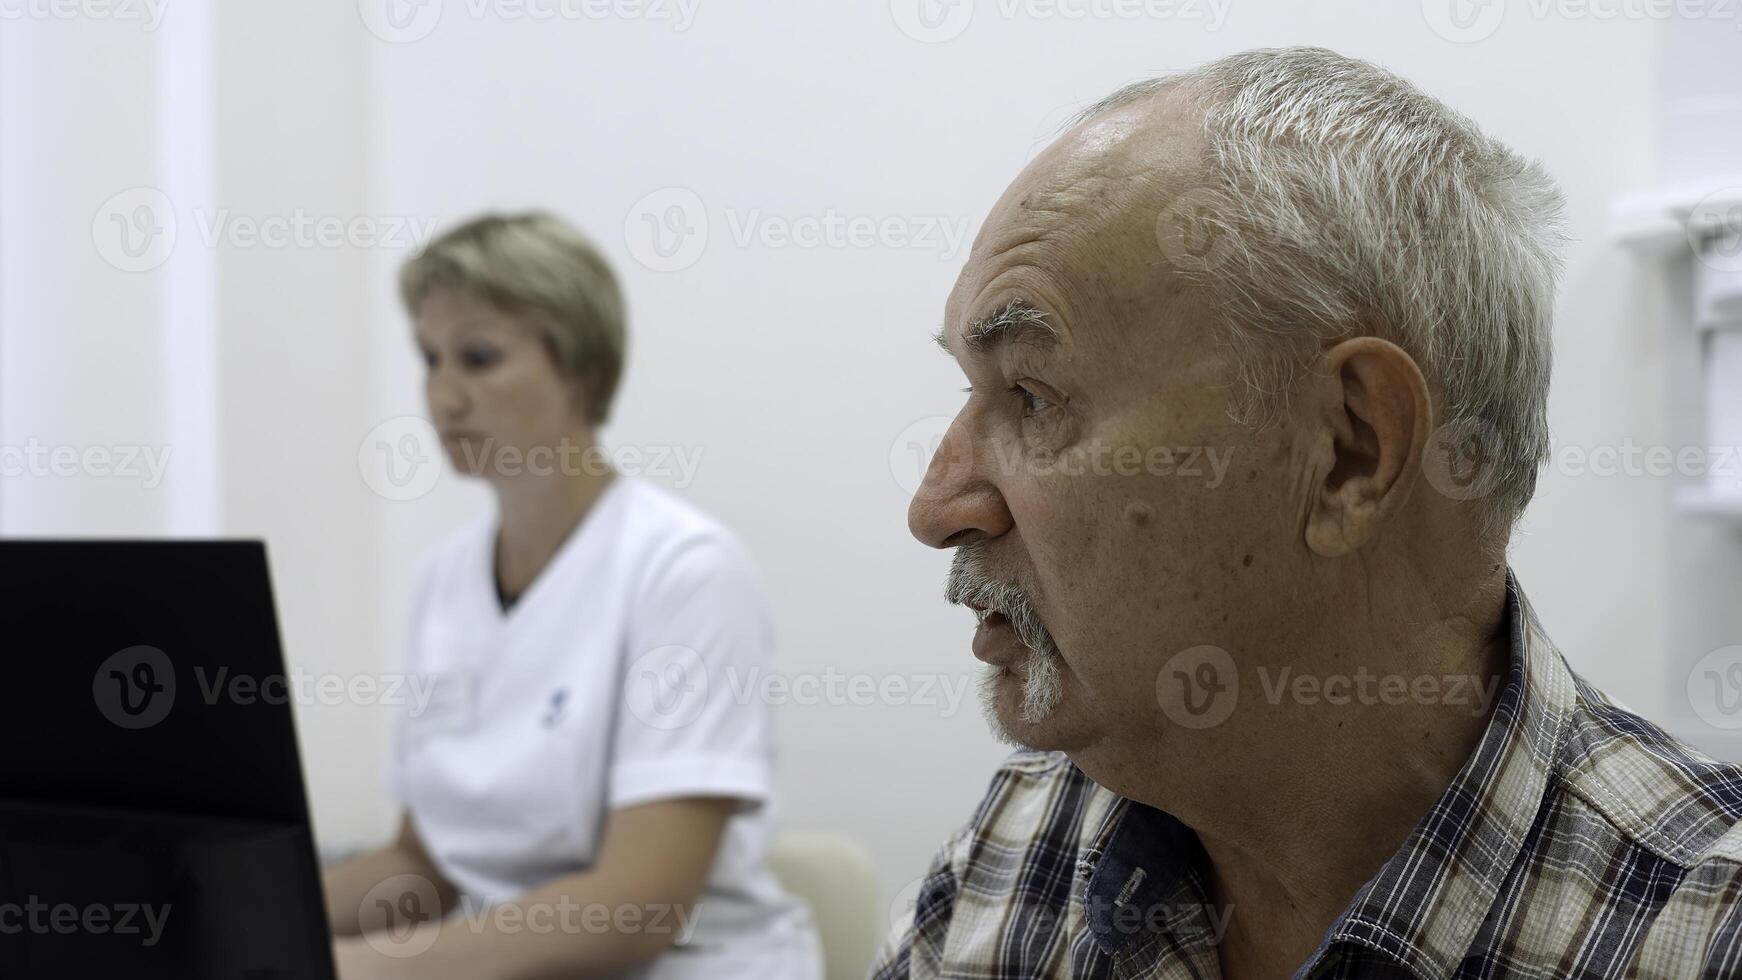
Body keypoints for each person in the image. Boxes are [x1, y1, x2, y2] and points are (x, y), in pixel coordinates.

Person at [872, 47, 1742, 979]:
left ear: (1347, 452)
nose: (937, 506)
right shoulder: (1015, 856)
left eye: (1033, 395)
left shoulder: (1700, 935)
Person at [321, 212, 820, 980]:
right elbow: (423, 866)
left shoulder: (682, 570)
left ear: (582, 369)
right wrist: (232, 921)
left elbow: (639, 905)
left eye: (479, 358)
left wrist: (358, 967)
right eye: (429, 358)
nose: (443, 396)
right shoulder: (444, 579)